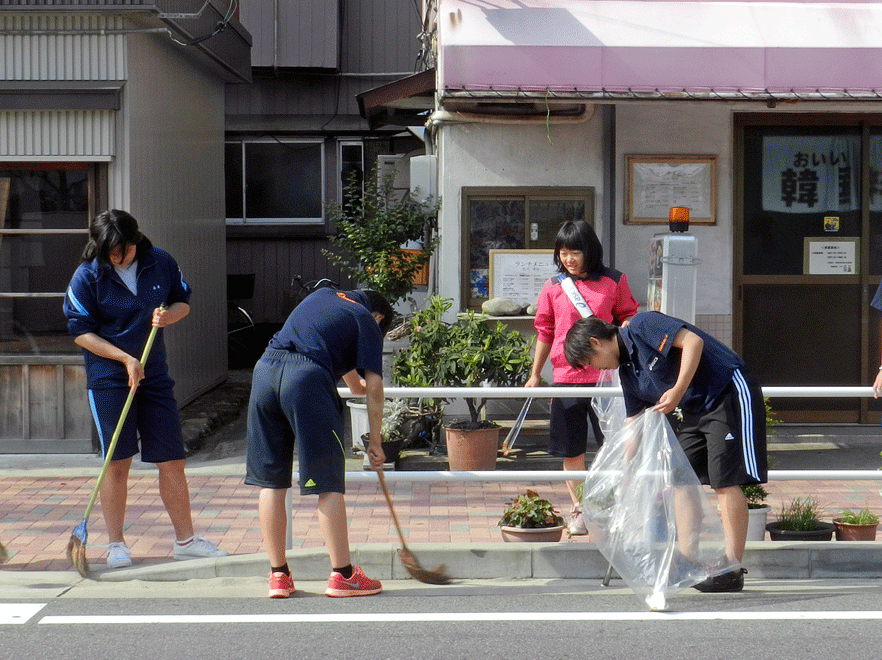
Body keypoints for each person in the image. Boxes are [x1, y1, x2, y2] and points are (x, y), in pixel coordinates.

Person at [63, 209, 227, 568]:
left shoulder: (160, 262)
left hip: (153, 373)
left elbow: (182, 300)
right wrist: (124, 359)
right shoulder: (87, 275)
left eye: (121, 250)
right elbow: (80, 332)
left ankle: (185, 540)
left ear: (135, 240)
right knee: (116, 462)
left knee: (172, 460)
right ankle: (116, 545)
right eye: (109, 252)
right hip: (108, 378)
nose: (115, 258)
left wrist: (170, 315)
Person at [563, 312, 767, 592]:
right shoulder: (628, 372)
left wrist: (677, 389)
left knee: (724, 478)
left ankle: (732, 567)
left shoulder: (641, 325)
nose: (597, 369)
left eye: (590, 362)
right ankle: (687, 558)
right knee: (680, 477)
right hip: (695, 407)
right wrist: (624, 475)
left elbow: (693, 342)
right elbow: (632, 424)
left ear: (595, 342)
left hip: (727, 391)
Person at [245, 286, 394, 599]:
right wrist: (375, 441)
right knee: (327, 482)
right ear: (378, 317)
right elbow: (376, 384)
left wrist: (354, 384)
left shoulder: (322, 296)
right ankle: (343, 575)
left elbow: (324, 344)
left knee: (272, 482)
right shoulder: (366, 319)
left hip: (264, 372)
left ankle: (278, 576)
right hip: (307, 380)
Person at [525, 220, 638, 535]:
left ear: (590, 250)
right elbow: (545, 330)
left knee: (613, 445)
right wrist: (536, 373)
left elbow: (628, 315)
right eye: (563, 252)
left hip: (607, 377)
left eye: (575, 251)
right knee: (571, 449)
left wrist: (625, 333)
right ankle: (580, 510)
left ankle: (613, 506)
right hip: (565, 377)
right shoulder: (553, 286)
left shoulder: (614, 281)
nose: (569, 259)